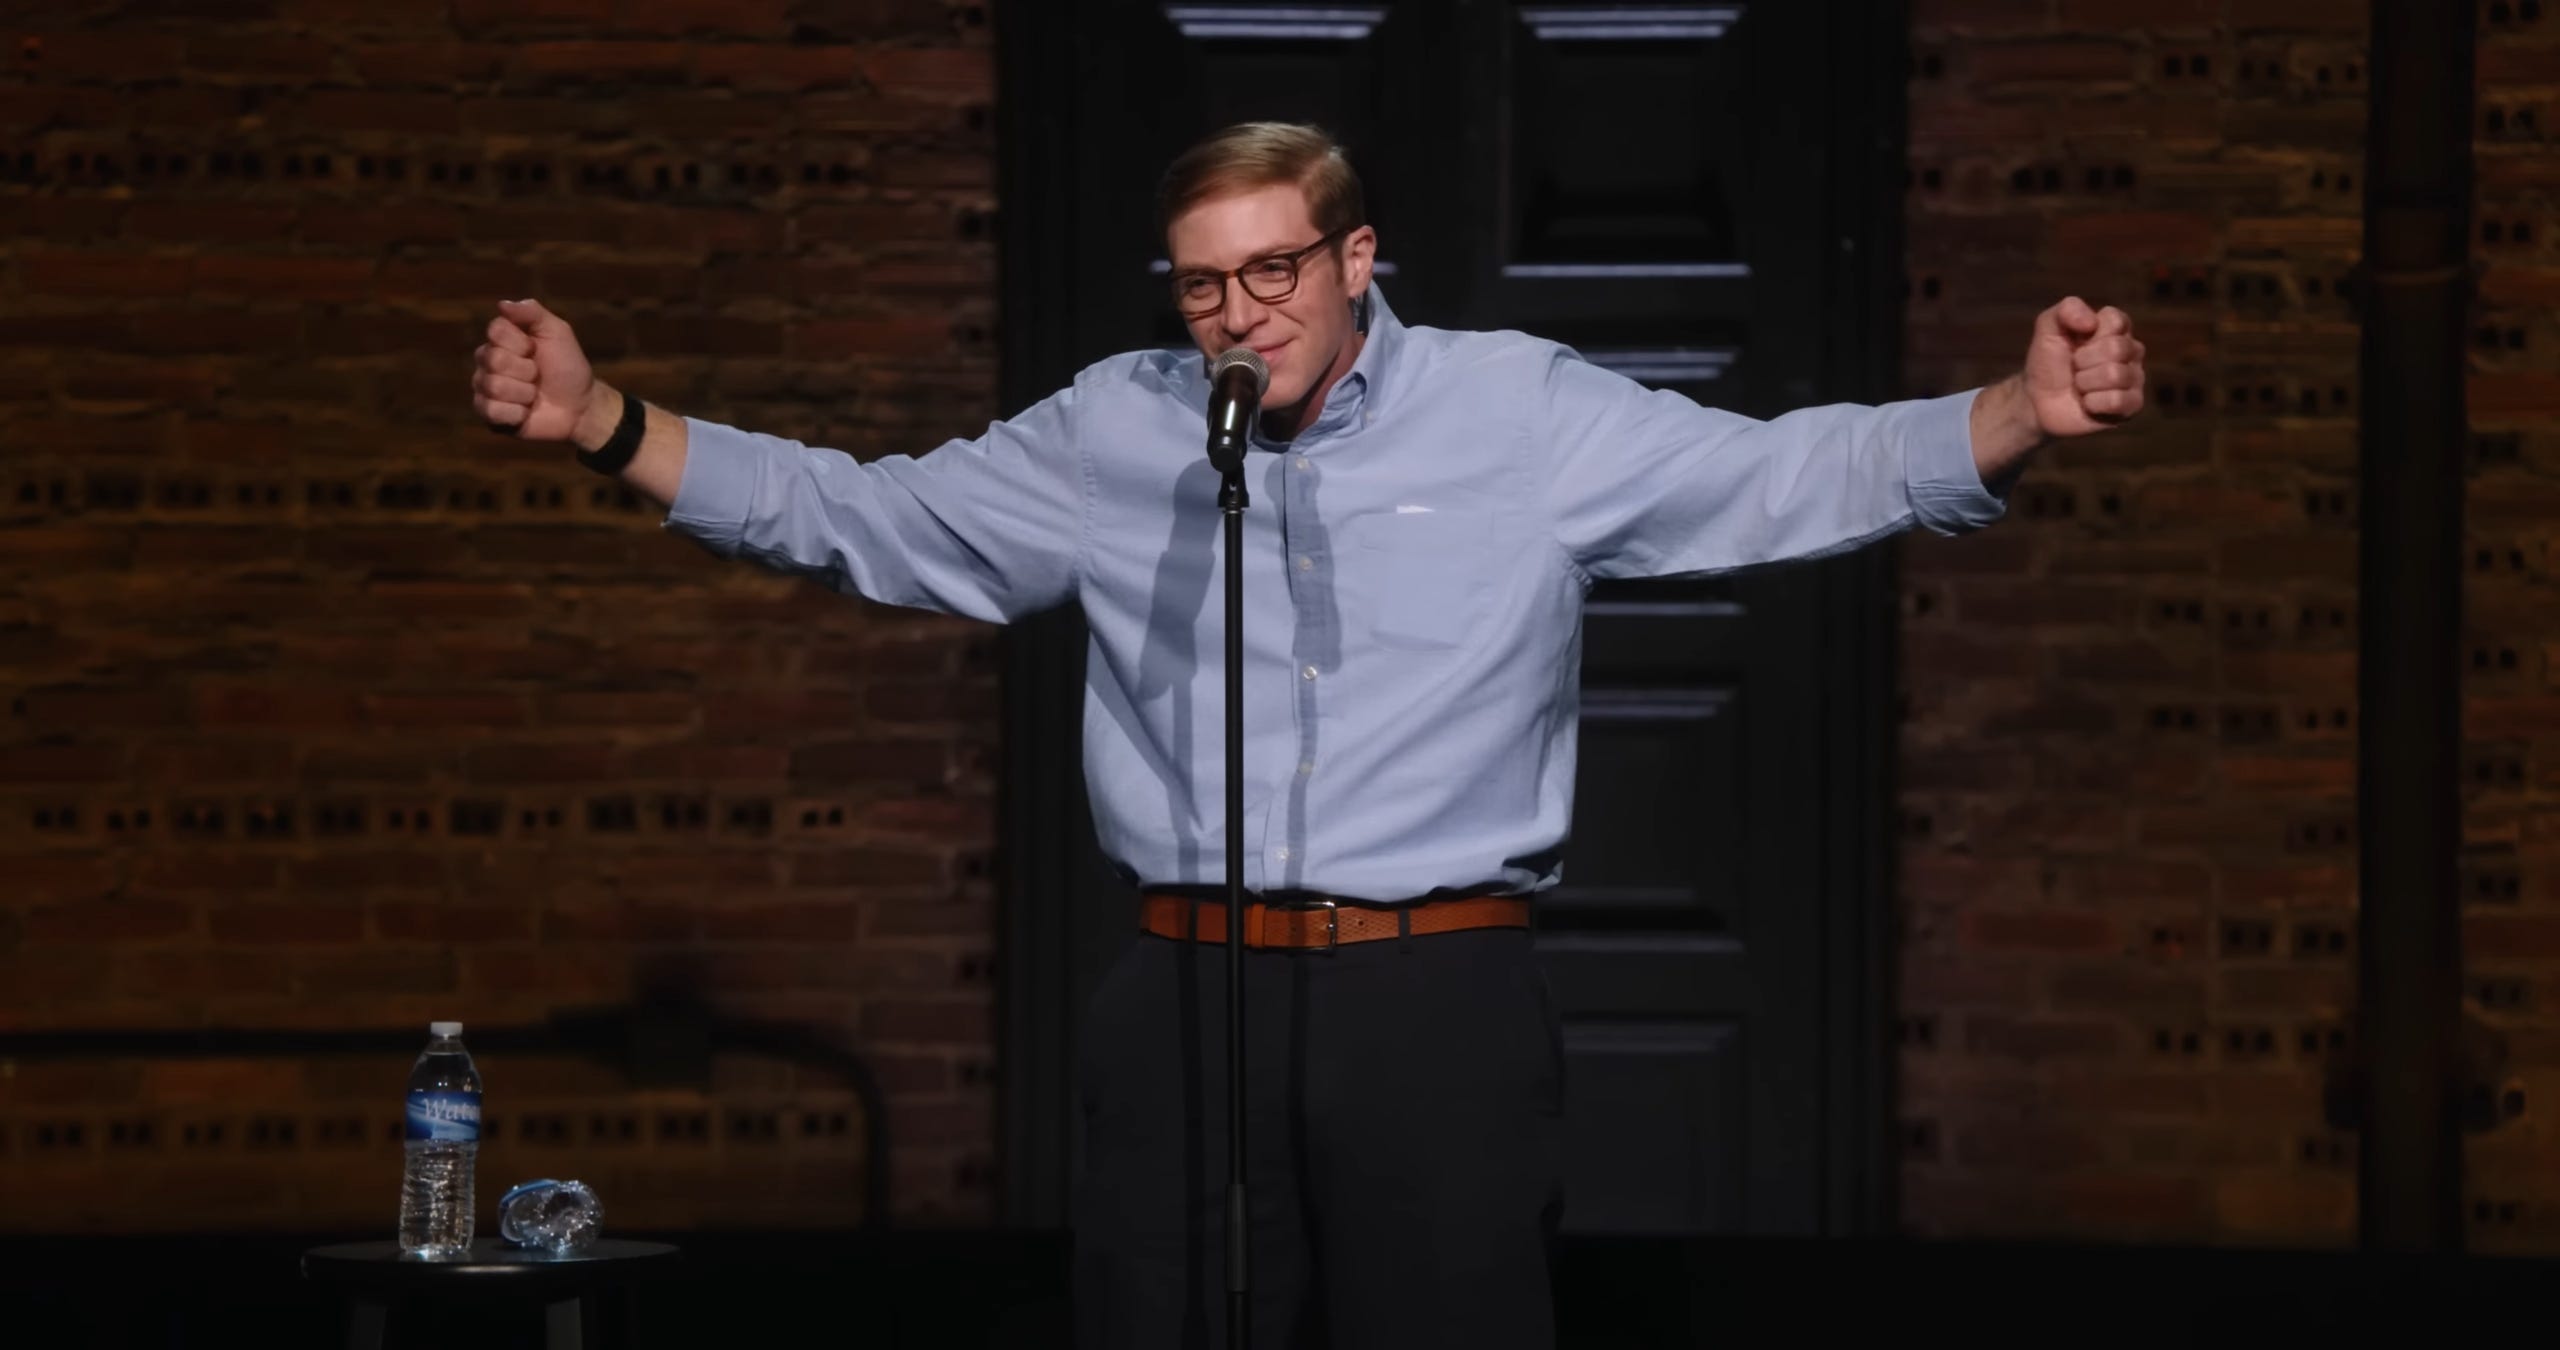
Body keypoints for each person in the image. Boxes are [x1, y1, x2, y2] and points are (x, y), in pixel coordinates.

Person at [469, 122, 2145, 1348]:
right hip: (1186, 990)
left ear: (1356, 260)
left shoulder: (1516, 410)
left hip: (1435, 994)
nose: (1240, 313)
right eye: (1204, 283)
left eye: (1274, 270)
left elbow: (1776, 474)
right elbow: (867, 518)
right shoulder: (1118, 429)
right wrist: (608, 420)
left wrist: (2015, 414)